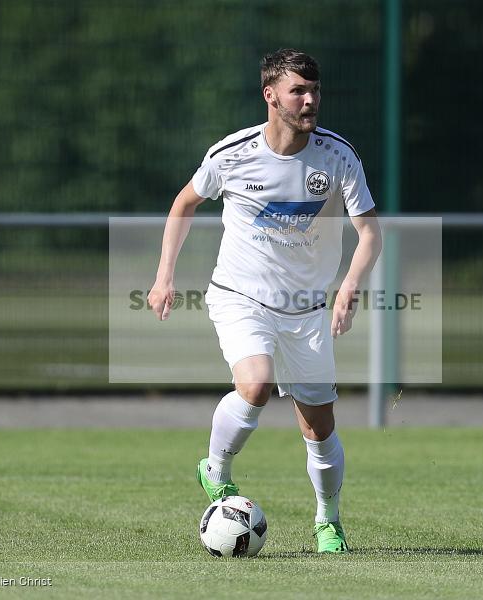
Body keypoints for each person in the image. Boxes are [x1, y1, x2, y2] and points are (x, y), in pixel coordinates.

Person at [148, 48, 381, 553]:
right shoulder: (232, 153)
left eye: (314, 90)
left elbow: (369, 234)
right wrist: (164, 276)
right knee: (255, 383)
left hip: (307, 309)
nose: (310, 100)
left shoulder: (338, 155)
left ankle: (328, 521)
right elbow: (184, 203)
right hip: (240, 296)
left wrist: (350, 285)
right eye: (298, 91)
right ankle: (217, 468)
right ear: (270, 95)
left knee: (319, 428)